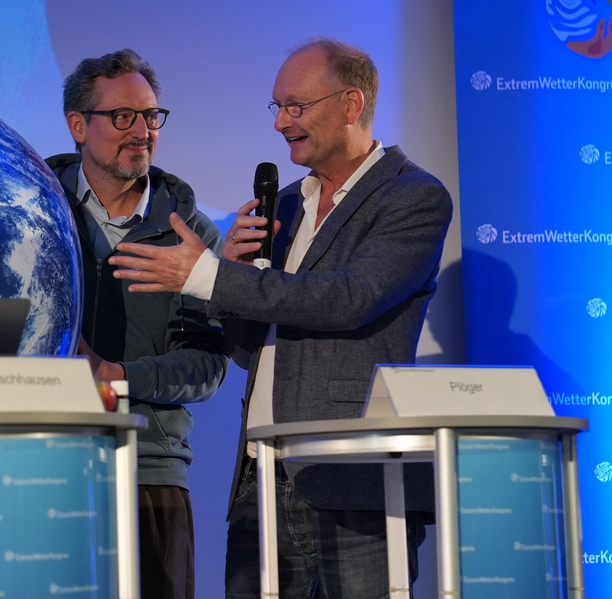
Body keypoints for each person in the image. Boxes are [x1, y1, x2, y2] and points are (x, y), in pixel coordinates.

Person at [109, 38, 454, 598]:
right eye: (278, 106)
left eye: (296, 106)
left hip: (357, 478)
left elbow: (349, 298)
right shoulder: (288, 203)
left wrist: (210, 277)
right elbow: (251, 349)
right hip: (263, 474)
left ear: (351, 104)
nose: (280, 123)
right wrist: (235, 274)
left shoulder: (412, 197)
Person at [46, 48, 229, 599]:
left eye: (150, 116)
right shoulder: (33, 212)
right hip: (39, 461)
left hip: (149, 470)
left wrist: (116, 376)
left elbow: (207, 364)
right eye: (122, 116)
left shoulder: (190, 234)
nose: (142, 131)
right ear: (79, 125)